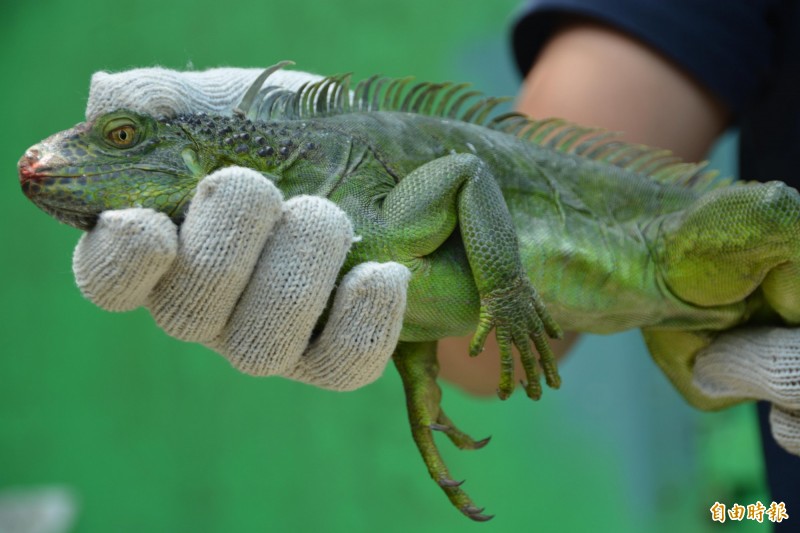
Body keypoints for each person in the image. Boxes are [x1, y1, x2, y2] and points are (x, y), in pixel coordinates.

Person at [75, 0, 800, 519]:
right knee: (713, 408)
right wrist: (416, 365)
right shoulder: (350, 202)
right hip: (700, 341)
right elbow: (488, 350)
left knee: (771, 212)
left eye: (119, 141)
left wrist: (505, 288)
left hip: (692, 254)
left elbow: (463, 179)